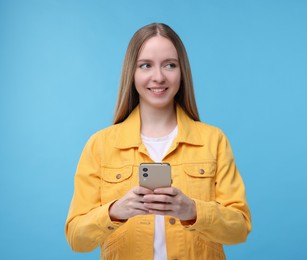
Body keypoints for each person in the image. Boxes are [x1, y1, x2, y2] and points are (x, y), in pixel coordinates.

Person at [65, 22, 251, 260]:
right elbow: (76, 238)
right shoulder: (100, 145)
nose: (159, 77)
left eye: (170, 65)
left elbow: (240, 229)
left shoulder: (213, 141)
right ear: (132, 73)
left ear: (181, 71)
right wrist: (114, 212)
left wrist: (194, 211)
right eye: (146, 65)